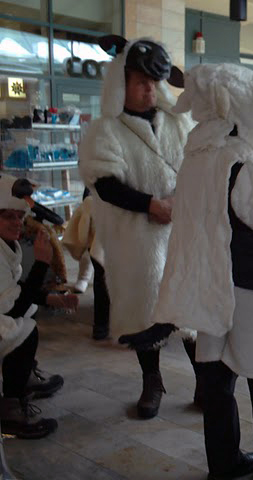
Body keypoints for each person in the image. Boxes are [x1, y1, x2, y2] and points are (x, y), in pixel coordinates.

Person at [149, 64, 253, 480]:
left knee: (216, 376)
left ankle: (223, 462)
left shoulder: (194, 158)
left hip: (209, 280)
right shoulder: (243, 162)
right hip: (251, 284)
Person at [79, 35, 199, 419]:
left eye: (153, 83)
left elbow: (198, 165)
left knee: (191, 311)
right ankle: (152, 382)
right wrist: (150, 204)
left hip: (182, 230)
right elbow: (104, 182)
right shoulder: (105, 130)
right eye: (141, 83)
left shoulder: (178, 121)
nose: (149, 90)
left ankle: (207, 383)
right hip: (137, 238)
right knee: (144, 311)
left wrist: (180, 200)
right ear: (123, 83)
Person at [0, 175, 78, 439]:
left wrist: (54, 299)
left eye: (19, 216)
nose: (16, 222)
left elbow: (16, 288)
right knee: (21, 329)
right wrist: (42, 263)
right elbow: (12, 309)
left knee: (28, 316)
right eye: (7, 217)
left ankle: (23, 379)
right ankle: (9, 409)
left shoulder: (7, 244)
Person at [62, 194, 110, 340]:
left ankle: (101, 325)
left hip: (99, 243)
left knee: (101, 279)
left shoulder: (91, 201)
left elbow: (81, 236)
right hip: (111, 241)